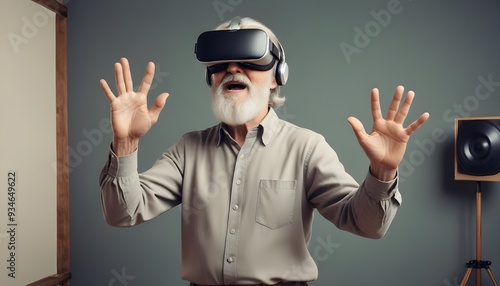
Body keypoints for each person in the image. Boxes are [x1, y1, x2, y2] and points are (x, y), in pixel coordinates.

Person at [99, 17, 429, 286]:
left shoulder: (306, 148)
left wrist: (383, 172)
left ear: (276, 77)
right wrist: (126, 144)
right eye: (221, 65)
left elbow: (367, 224)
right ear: (210, 78)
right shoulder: (189, 149)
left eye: (248, 61)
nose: (232, 69)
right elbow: (123, 213)